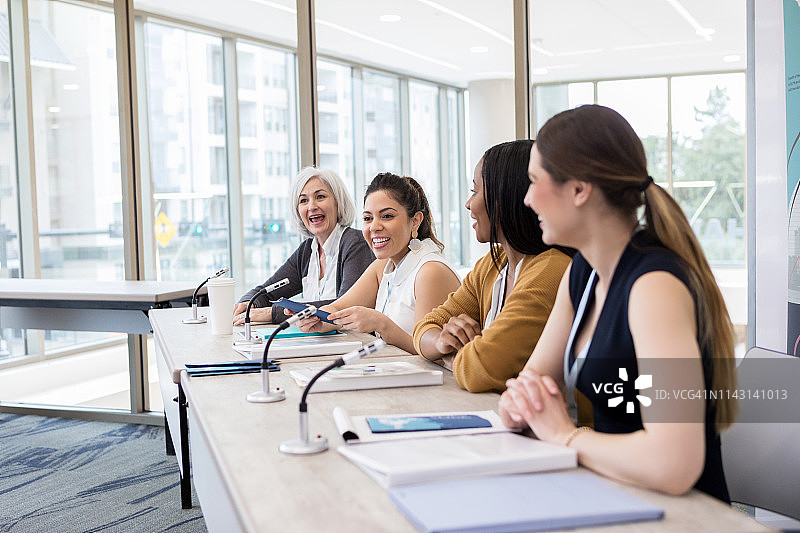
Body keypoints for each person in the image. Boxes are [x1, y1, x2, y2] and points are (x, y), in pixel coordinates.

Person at [499, 105, 737, 501]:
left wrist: (564, 434)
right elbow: (528, 389)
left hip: (682, 517)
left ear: (579, 190)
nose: (526, 199)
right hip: (617, 495)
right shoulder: (582, 274)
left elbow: (674, 463)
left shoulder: (654, 286)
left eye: (534, 181)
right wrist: (519, 407)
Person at [413, 140, 572, 393]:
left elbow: (480, 370)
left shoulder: (551, 270)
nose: (468, 204)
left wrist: (456, 356)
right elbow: (424, 327)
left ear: (505, 197)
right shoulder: (493, 263)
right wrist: (443, 342)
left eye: (475, 192)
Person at [298, 172, 461, 354]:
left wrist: (382, 325)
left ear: (415, 221)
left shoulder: (430, 272)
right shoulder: (383, 265)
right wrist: (319, 320)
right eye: (368, 218)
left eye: (387, 216)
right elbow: (338, 308)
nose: (374, 227)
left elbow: (437, 355)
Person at [233, 167, 375, 325]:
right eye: (303, 200)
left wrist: (271, 313)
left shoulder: (356, 243)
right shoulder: (307, 251)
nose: (311, 206)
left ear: (338, 202)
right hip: (317, 343)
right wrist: (248, 304)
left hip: (354, 343)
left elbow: (343, 307)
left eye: (320, 197)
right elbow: (264, 292)